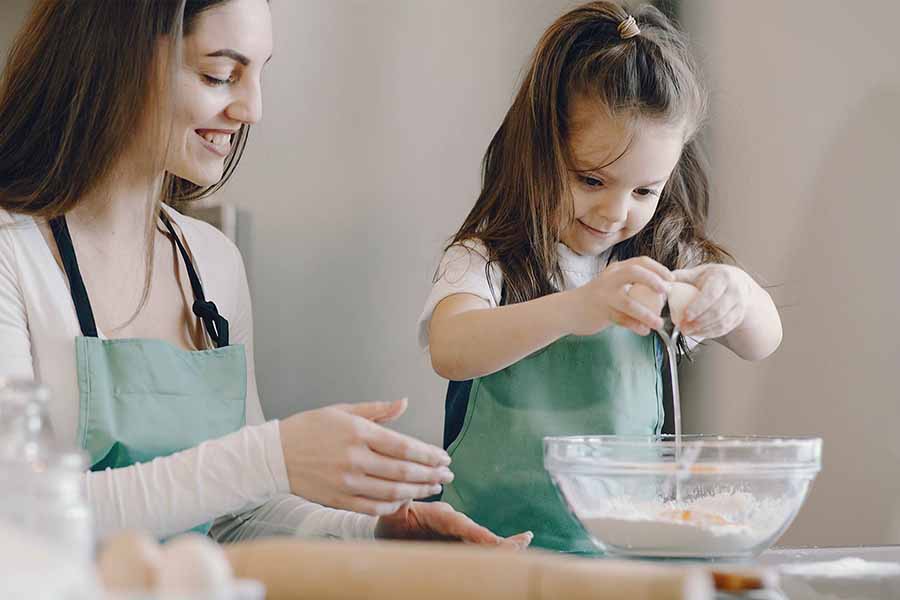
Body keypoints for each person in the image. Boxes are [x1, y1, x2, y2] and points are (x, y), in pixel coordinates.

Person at [0, 0, 530, 548]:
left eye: (258, 74)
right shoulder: (13, 253)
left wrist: (374, 534)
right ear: (114, 57)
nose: (251, 109)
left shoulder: (211, 263)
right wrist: (271, 456)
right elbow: (20, 515)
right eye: (220, 75)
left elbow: (238, 515)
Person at [419, 1, 782, 553]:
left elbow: (763, 341)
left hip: (618, 552)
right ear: (536, 153)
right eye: (592, 179)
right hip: (490, 552)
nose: (616, 212)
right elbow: (452, 347)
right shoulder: (487, 258)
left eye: (644, 191)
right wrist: (577, 307)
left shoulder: (659, 264)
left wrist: (736, 296)